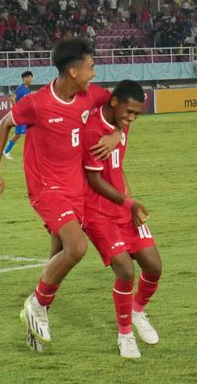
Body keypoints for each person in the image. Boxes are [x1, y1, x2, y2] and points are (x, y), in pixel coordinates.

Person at [0, 38, 120, 352]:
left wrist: (116, 133)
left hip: (77, 188)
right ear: (73, 70)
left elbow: (119, 107)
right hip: (47, 189)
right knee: (77, 248)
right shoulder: (37, 103)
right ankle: (35, 304)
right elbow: (4, 123)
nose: (95, 73)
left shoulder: (90, 96)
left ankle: (35, 324)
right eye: (90, 67)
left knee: (57, 255)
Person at [81, 80, 161, 358]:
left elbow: (117, 166)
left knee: (153, 266)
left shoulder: (120, 127)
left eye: (137, 114)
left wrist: (127, 195)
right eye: (129, 112)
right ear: (114, 102)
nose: (132, 119)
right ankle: (124, 333)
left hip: (122, 207)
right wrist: (129, 201)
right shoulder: (92, 131)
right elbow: (93, 179)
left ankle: (138, 312)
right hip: (97, 212)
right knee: (126, 270)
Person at [2, 71, 34, 160]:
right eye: (28, 77)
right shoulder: (21, 87)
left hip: (25, 115)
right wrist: (16, 109)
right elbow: (12, 98)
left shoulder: (28, 90)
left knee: (28, 132)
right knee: (19, 134)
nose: (30, 79)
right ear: (24, 79)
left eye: (31, 77)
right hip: (20, 114)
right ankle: (6, 151)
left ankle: (31, 151)